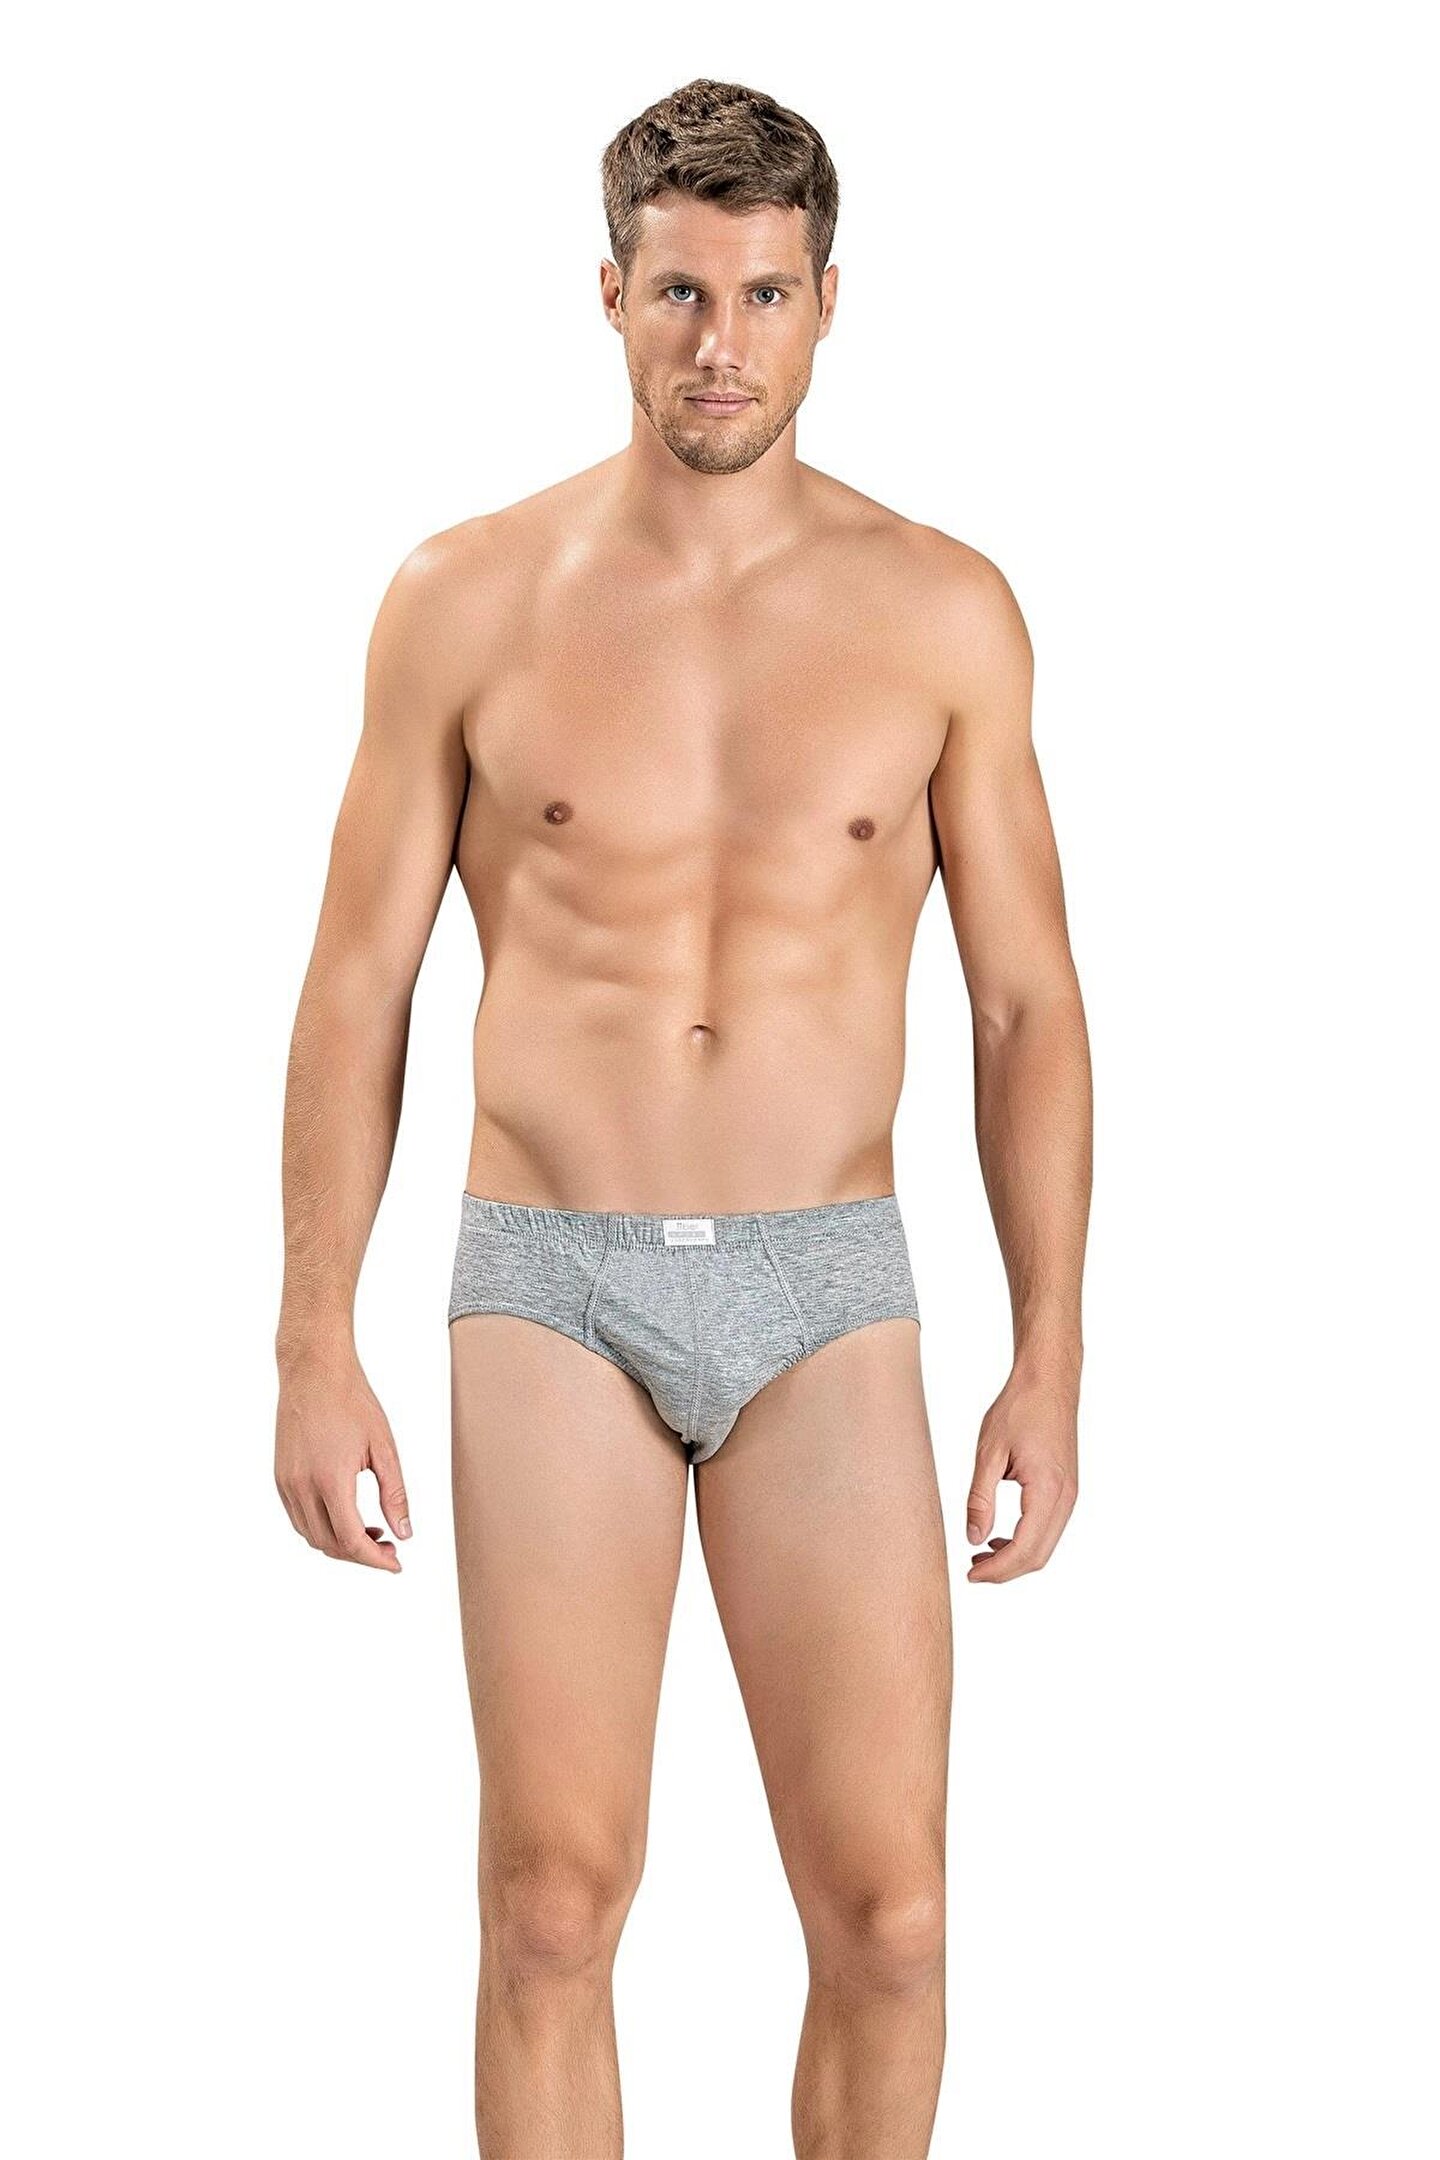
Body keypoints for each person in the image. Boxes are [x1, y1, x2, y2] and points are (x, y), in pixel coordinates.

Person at [274, 75, 1092, 2160]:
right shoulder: (467, 596)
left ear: (828, 303)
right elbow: (358, 983)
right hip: (551, 1281)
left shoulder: (944, 613)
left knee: (893, 1921)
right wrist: (311, 1338)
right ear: (610, 294)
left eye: (763, 294)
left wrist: (1051, 1354)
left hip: (830, 1288)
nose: (720, 344)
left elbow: (1023, 1004)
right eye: (679, 295)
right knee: (552, 1907)